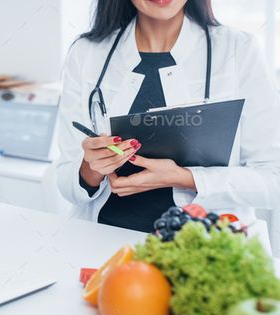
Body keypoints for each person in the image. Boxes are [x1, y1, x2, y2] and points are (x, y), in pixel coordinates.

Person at [56, 0, 280, 234]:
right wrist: (91, 168)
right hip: (105, 246)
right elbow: (65, 183)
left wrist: (186, 178)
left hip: (203, 252)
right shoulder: (86, 52)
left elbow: (274, 180)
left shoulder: (239, 49)